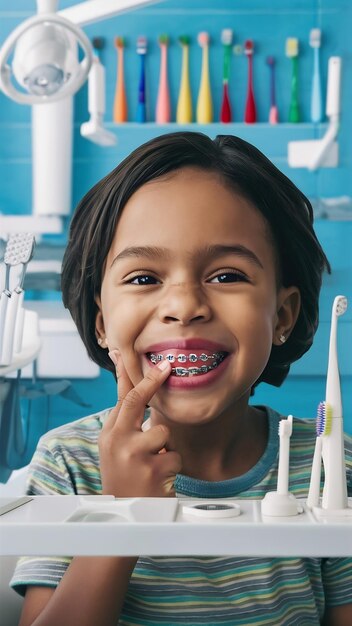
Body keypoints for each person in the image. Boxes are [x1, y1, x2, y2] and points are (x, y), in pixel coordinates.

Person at [11, 132, 352, 626]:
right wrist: (124, 512)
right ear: (103, 323)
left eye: (227, 276)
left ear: (282, 315)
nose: (185, 306)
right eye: (144, 278)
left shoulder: (330, 465)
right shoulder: (70, 465)